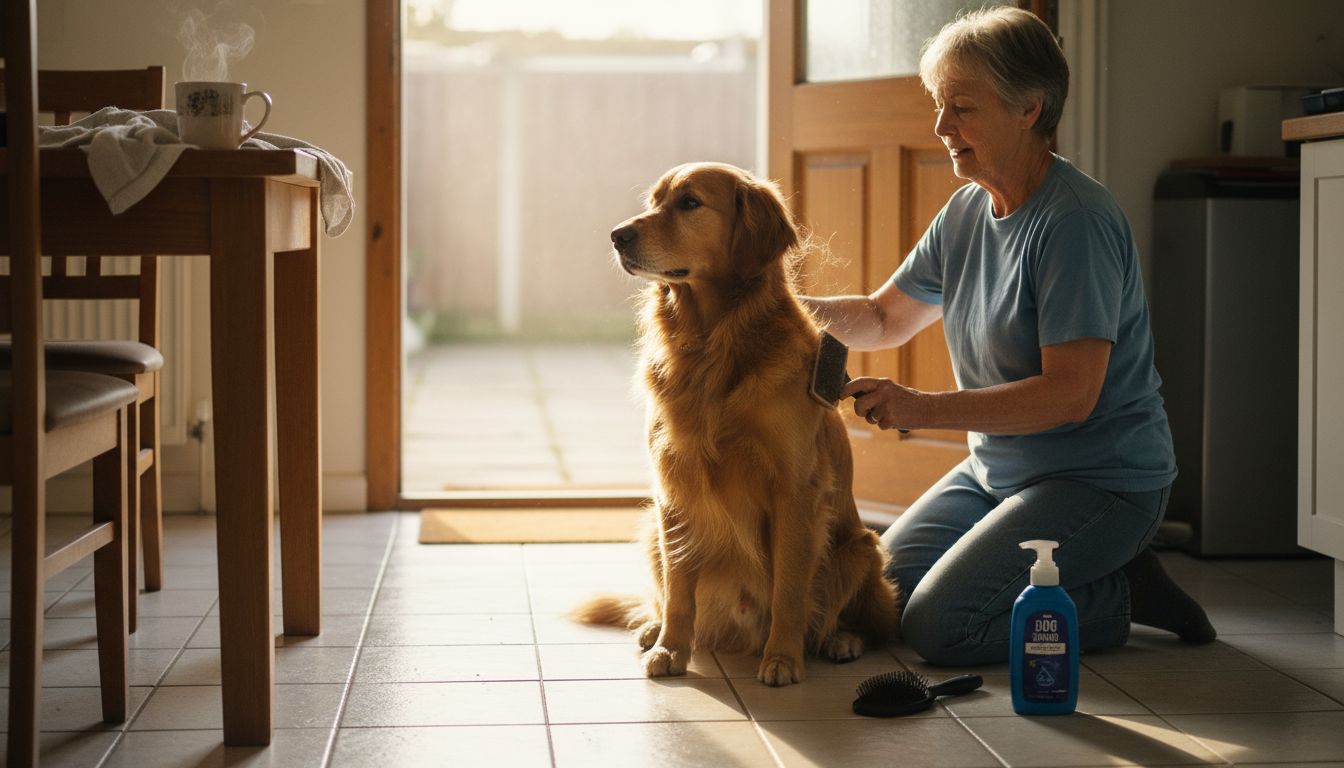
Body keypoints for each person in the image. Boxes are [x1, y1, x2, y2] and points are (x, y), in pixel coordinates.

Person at [802, 6, 1215, 666]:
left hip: (1101, 482)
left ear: (1029, 107)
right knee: (877, 596)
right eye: (940, 105)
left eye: (961, 107)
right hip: (1001, 470)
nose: (941, 127)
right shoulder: (968, 208)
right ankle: (1078, 577)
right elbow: (885, 318)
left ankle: (1120, 594)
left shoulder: (1074, 222)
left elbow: (1070, 398)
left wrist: (921, 408)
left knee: (944, 626)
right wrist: (775, 310)